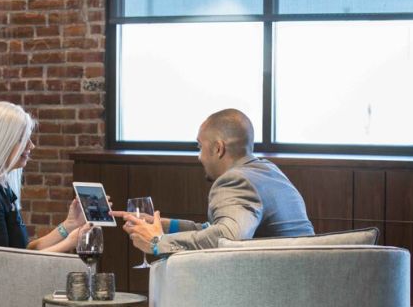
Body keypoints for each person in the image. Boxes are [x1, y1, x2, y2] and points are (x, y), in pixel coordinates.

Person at [111, 108, 314, 255]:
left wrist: (157, 242)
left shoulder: (235, 180)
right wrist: (165, 226)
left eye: (200, 147)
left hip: (273, 290)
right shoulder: (269, 171)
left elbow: (228, 237)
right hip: (299, 283)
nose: (199, 157)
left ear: (218, 148)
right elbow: (218, 228)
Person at [0, 101, 86, 252]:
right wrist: (70, 242)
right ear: (0, 142)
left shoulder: (1, 188)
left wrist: (69, 225)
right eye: (22, 139)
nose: (31, 146)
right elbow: (5, 262)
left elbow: (23, 250)